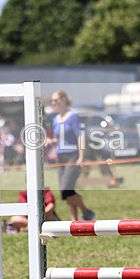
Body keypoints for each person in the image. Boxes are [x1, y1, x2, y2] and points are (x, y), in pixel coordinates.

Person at [47, 91, 96, 221]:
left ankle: (86, 211)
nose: (54, 102)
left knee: (65, 189)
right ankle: (74, 220)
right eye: (52, 100)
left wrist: (81, 156)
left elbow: (80, 136)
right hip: (60, 157)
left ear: (64, 100)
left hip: (72, 156)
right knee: (68, 191)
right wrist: (51, 141)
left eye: (56, 100)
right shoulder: (55, 119)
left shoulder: (73, 116)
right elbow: (62, 138)